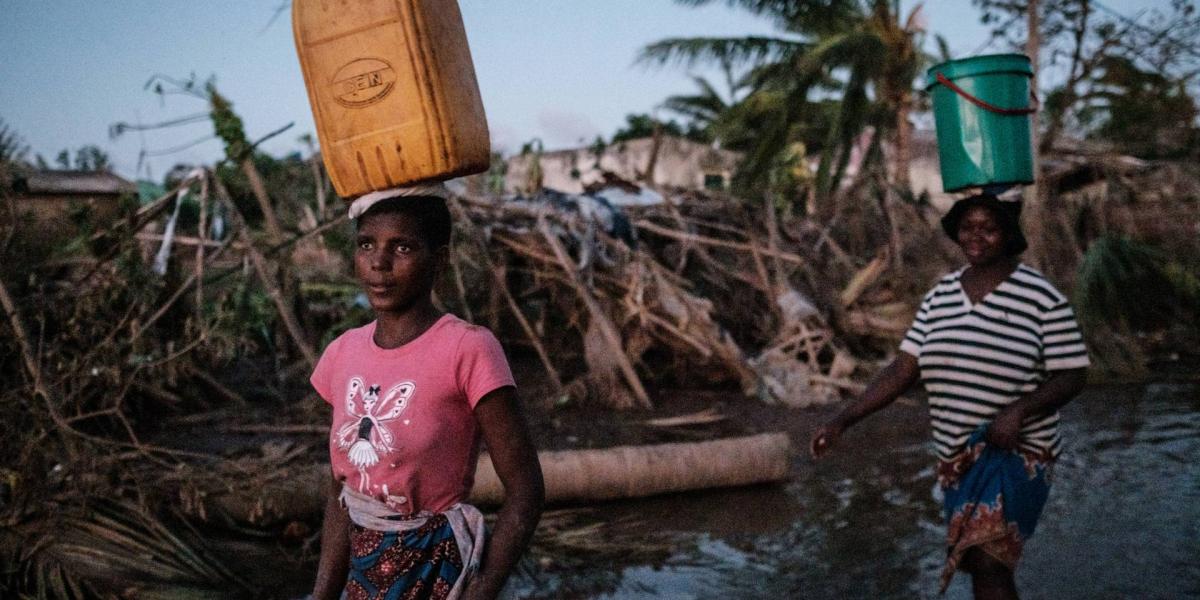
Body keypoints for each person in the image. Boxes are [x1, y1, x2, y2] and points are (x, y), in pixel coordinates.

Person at [810, 193, 1089, 599]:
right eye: (968, 227)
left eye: (988, 228)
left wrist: (1019, 411)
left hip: (1018, 452)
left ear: (1008, 235)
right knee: (978, 563)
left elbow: (1073, 374)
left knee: (991, 561)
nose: (976, 236)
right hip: (957, 455)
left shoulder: (1040, 297)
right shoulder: (940, 296)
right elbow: (903, 370)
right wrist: (843, 420)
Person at [308, 186, 544, 600]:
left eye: (401, 247)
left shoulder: (467, 348)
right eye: (366, 244)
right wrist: (323, 595)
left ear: (439, 260)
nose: (378, 263)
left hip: (435, 572)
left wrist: (482, 590)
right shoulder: (342, 353)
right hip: (363, 577)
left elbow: (526, 490)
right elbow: (341, 492)